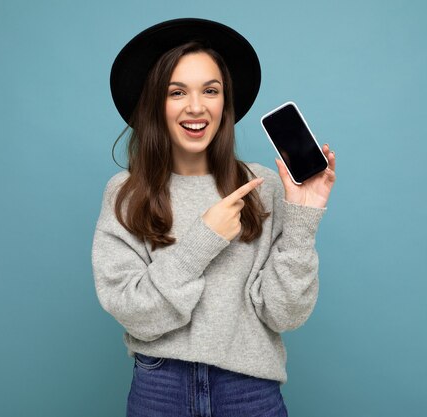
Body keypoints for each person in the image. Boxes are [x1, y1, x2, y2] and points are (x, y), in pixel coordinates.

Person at [92, 18, 336, 417]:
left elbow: (285, 314)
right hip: (160, 389)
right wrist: (204, 238)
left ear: (226, 101)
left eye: (210, 90)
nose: (196, 107)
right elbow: (134, 312)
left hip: (249, 391)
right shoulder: (125, 193)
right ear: (156, 102)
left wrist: (302, 219)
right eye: (177, 92)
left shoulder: (264, 186)